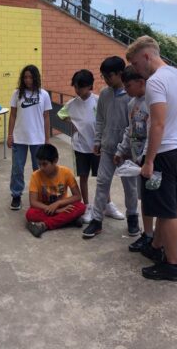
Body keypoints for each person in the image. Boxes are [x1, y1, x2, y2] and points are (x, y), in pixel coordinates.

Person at [127, 36, 177, 282]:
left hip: (164, 153)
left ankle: (173, 264)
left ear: (147, 56)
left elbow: (157, 123)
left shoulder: (156, 81)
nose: (136, 70)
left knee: (166, 212)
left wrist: (149, 161)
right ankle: (158, 247)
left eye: (136, 64)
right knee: (170, 204)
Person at [82, 56, 139, 239]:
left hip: (127, 152)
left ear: (120, 74)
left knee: (130, 187)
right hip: (107, 148)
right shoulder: (105, 94)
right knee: (102, 183)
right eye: (104, 76)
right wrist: (97, 141)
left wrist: (124, 149)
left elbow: (132, 126)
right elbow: (100, 119)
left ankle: (132, 217)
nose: (106, 80)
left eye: (109, 76)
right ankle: (97, 220)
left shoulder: (131, 96)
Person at [57, 69, 124, 223]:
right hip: (80, 147)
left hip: (99, 146)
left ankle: (108, 204)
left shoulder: (98, 101)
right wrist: (73, 122)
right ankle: (87, 206)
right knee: (83, 177)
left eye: (80, 87)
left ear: (89, 86)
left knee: (103, 177)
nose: (77, 90)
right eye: (75, 86)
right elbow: (60, 114)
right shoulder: (72, 104)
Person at [113, 65, 153, 251]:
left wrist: (147, 158)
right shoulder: (132, 104)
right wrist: (121, 150)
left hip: (151, 160)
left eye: (128, 86)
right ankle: (148, 234)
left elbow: (153, 132)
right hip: (138, 160)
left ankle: (159, 236)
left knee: (156, 199)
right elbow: (130, 130)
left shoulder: (152, 102)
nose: (126, 90)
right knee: (145, 198)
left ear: (141, 82)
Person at [8, 64, 52, 210]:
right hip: (19, 137)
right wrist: (10, 135)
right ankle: (16, 195)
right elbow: (12, 115)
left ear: (36, 78)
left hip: (38, 138)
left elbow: (46, 117)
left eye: (31, 77)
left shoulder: (44, 94)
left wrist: (47, 139)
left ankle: (40, 195)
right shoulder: (17, 94)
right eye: (25, 77)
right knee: (17, 168)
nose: (28, 80)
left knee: (39, 168)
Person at [26, 144, 86, 237]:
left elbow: (77, 196)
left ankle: (43, 225)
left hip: (62, 206)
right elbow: (33, 202)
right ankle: (70, 220)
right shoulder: (35, 176)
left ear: (55, 161)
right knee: (30, 214)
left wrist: (58, 204)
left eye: (45, 164)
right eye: (39, 164)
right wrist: (57, 211)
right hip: (45, 208)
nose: (41, 168)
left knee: (81, 207)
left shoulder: (66, 172)